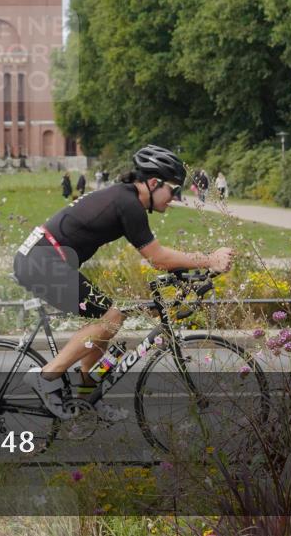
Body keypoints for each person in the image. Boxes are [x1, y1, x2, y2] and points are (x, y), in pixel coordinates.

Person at [18, 145, 235, 421]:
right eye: (174, 190)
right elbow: (158, 258)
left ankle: (87, 394)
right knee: (111, 316)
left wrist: (188, 270)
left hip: (44, 259)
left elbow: (160, 258)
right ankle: (46, 377)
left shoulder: (126, 198)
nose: (175, 198)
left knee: (109, 317)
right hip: (42, 262)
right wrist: (209, 259)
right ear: (154, 183)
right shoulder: (129, 204)